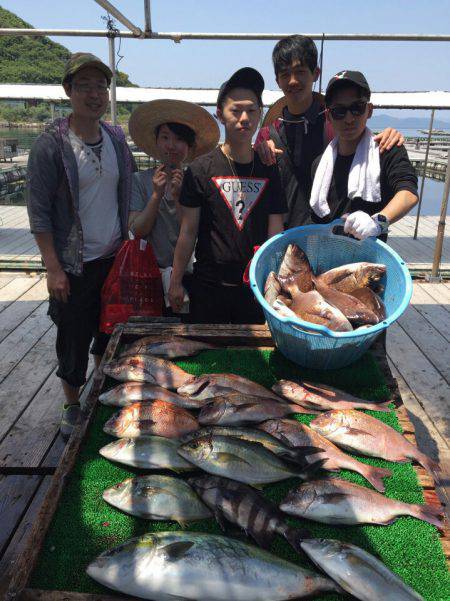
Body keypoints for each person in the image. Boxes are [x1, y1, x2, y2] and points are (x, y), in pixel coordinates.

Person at [26, 52, 135, 439]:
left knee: (109, 335)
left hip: (112, 260)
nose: (95, 93)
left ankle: (101, 392)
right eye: (85, 86)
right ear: (68, 91)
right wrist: (52, 268)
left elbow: (130, 190)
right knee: (72, 337)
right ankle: (72, 403)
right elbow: (38, 212)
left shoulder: (117, 138)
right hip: (73, 266)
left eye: (101, 85)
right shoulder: (51, 145)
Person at [168, 68, 287, 324]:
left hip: (254, 286)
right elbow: (188, 231)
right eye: (236, 110)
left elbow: (275, 229)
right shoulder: (200, 169)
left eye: (252, 111)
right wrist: (176, 281)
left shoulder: (269, 168)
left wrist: (272, 280)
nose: (245, 118)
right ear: (219, 114)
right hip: (209, 285)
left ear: (260, 115)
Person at [254, 35, 404, 228]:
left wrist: (389, 136)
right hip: (284, 235)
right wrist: (258, 151)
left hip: (334, 235)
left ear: (316, 73)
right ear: (277, 80)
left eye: (300, 71)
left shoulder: (337, 125)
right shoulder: (267, 134)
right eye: (285, 74)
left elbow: (367, 147)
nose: (293, 81)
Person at [127, 99, 219, 312]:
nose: (171, 145)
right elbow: (138, 230)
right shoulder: (139, 181)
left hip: (188, 274)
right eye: (165, 137)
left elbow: (192, 231)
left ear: (188, 146)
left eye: (179, 139)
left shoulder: (196, 182)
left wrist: (179, 198)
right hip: (148, 274)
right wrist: (156, 196)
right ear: (156, 142)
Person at [309, 70, 418, 239]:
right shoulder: (319, 164)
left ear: (369, 110)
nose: (349, 118)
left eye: (357, 108)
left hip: (369, 259)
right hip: (328, 257)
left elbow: (408, 193)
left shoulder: (386, 151)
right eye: (339, 111)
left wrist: (378, 222)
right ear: (328, 115)